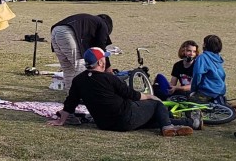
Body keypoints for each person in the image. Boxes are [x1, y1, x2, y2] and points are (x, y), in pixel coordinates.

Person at [48, 47, 194, 137]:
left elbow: (70, 102)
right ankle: (168, 128)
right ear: (100, 62)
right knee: (156, 105)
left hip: (104, 124)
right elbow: (132, 95)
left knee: (153, 119)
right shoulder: (110, 78)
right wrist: (150, 96)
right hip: (125, 118)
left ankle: (190, 122)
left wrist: (61, 121)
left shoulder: (78, 80)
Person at [51, 13, 114, 93]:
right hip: (67, 32)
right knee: (80, 66)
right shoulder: (102, 24)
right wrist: (107, 67)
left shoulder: (89, 22)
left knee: (67, 68)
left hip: (55, 30)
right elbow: (101, 48)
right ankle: (82, 94)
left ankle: (71, 94)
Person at [189, 35, 227, 102]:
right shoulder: (218, 58)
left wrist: (193, 90)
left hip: (207, 91)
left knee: (189, 103)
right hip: (220, 91)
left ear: (205, 45)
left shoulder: (202, 58)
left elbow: (197, 74)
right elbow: (222, 75)